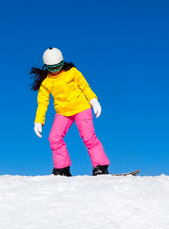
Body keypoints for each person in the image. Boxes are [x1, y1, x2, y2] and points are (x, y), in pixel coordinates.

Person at [30, 47, 110, 176]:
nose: (55, 70)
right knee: (54, 138)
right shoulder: (46, 83)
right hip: (63, 113)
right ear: (46, 67)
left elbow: (85, 86)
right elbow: (42, 103)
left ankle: (101, 167)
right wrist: (38, 121)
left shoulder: (72, 72)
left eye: (57, 66)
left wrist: (94, 100)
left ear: (62, 63)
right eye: (51, 68)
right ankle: (62, 169)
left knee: (88, 136)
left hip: (81, 108)